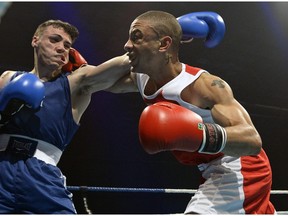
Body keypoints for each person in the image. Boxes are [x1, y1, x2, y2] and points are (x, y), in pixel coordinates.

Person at [107, 10, 276, 214]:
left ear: (164, 44)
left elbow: (253, 141)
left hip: (240, 167)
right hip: (210, 170)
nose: (127, 45)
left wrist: (199, 133)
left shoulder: (203, 85)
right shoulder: (141, 79)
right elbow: (94, 81)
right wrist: (75, 71)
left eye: (136, 37)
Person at [0, 19, 130, 213]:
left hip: (41, 177)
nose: (61, 48)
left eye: (67, 45)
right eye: (54, 40)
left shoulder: (75, 83)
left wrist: (153, 42)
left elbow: (122, 65)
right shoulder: (8, 78)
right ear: (35, 40)